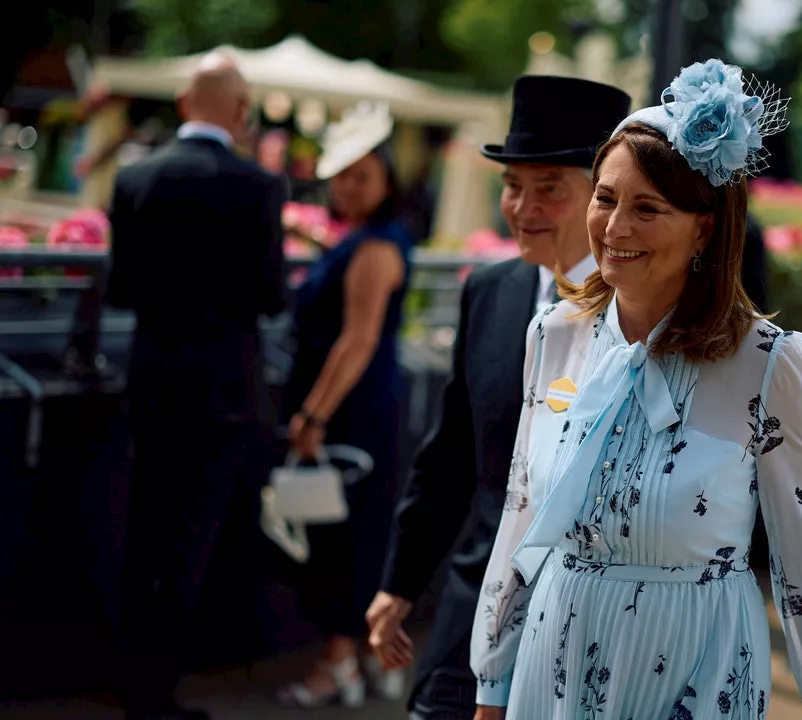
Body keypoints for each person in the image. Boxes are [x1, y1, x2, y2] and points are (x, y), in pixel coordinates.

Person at [468, 59, 802, 720]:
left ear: (703, 227)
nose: (615, 228)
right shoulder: (554, 335)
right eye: (605, 197)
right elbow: (521, 512)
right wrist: (490, 683)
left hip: (694, 670)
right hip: (552, 664)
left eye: (647, 208)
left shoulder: (766, 363)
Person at [365, 76, 634, 720]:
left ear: (603, 198)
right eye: (513, 186)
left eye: (549, 189)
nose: (522, 206)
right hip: (472, 605)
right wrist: (400, 583)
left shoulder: (643, 315)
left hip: (591, 627)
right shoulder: (490, 292)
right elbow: (450, 452)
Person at [107, 52, 286, 720]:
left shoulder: (135, 177)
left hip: (151, 377)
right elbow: (272, 297)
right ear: (241, 113)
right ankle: (160, 690)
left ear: (183, 104)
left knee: (142, 528)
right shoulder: (260, 187)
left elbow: (121, 287)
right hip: (223, 388)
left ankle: (129, 683)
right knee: (192, 538)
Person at [274, 102, 418, 707]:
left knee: (340, 538)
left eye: (364, 175)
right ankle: (360, 658)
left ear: (387, 182)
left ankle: (339, 662)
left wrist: (312, 415)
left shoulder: (374, 247)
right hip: (362, 408)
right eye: (342, 174)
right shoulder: (367, 239)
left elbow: (356, 339)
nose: (348, 185)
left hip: (349, 413)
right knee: (355, 533)